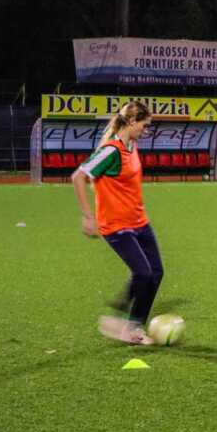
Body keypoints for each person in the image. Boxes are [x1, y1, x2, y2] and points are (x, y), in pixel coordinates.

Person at [71, 100, 163, 345]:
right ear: (132, 121)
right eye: (144, 126)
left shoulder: (132, 146)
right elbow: (78, 177)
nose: (146, 131)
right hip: (117, 226)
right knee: (143, 273)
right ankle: (132, 328)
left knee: (156, 273)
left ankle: (130, 318)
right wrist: (88, 216)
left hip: (140, 222)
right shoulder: (111, 151)